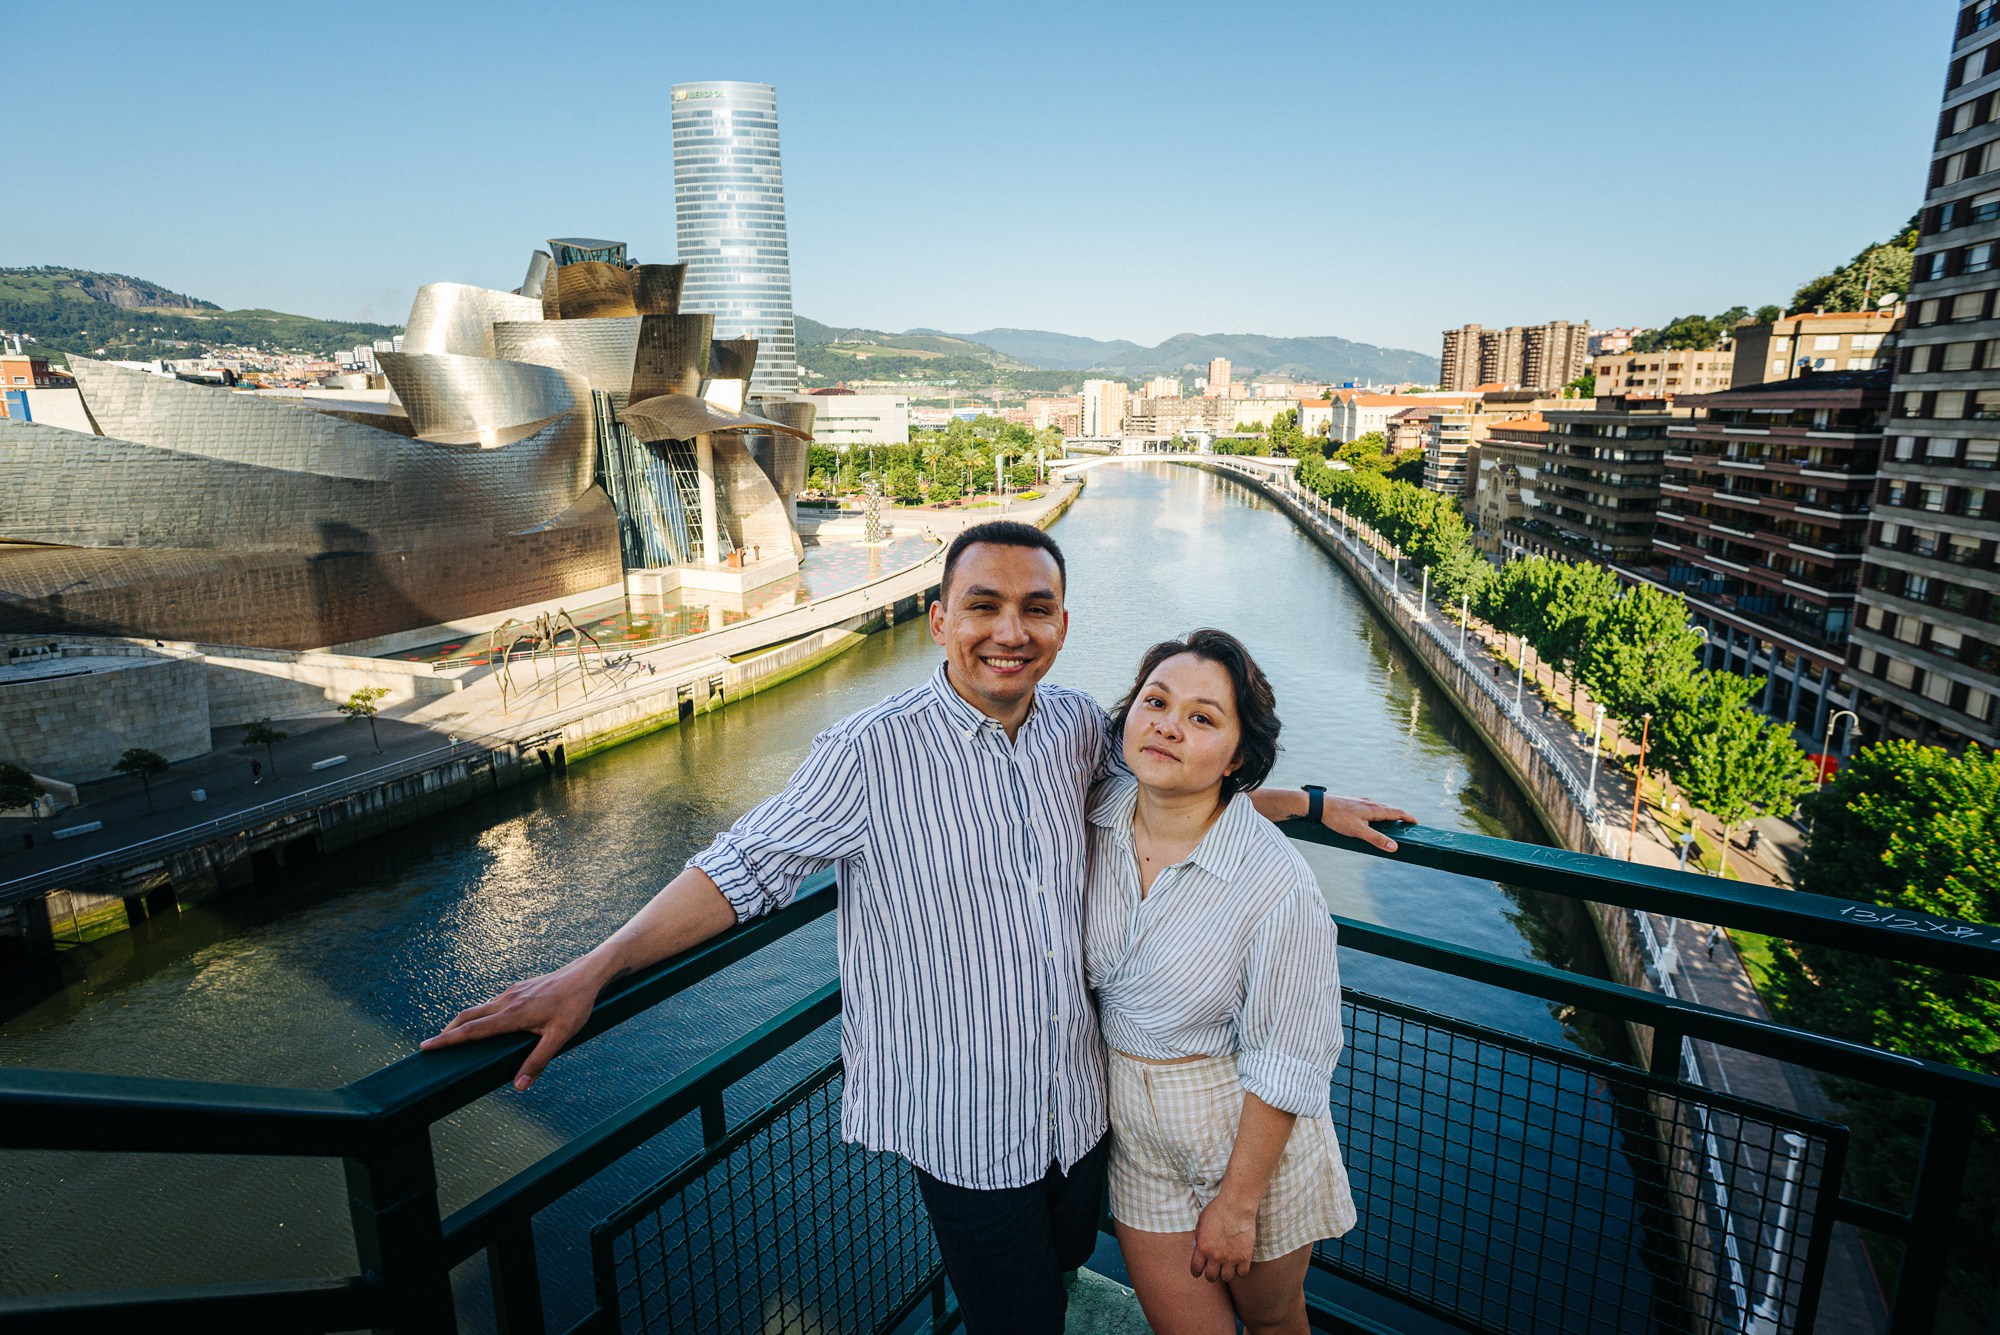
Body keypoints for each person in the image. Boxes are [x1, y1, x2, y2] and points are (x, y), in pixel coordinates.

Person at [422, 521, 1413, 1334]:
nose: (1006, 631)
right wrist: (596, 967)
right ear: (937, 618)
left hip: (1078, 1109)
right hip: (966, 1125)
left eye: (1033, 610)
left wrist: (1312, 805)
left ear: (1062, 629)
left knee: (1063, 1275)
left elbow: (1172, 788)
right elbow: (743, 868)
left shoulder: (1074, 726)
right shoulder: (866, 750)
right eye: (981, 606)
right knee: (1014, 1321)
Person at [1087, 630, 1353, 1335]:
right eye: (1156, 701)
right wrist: (1311, 802)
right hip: (1134, 1128)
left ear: (1238, 757)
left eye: (1202, 717)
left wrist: (1238, 1201)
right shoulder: (1091, 817)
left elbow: (1290, 1054)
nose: (1169, 724)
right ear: (1128, 717)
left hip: (1243, 1131)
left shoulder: (1277, 883)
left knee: (1272, 1323)